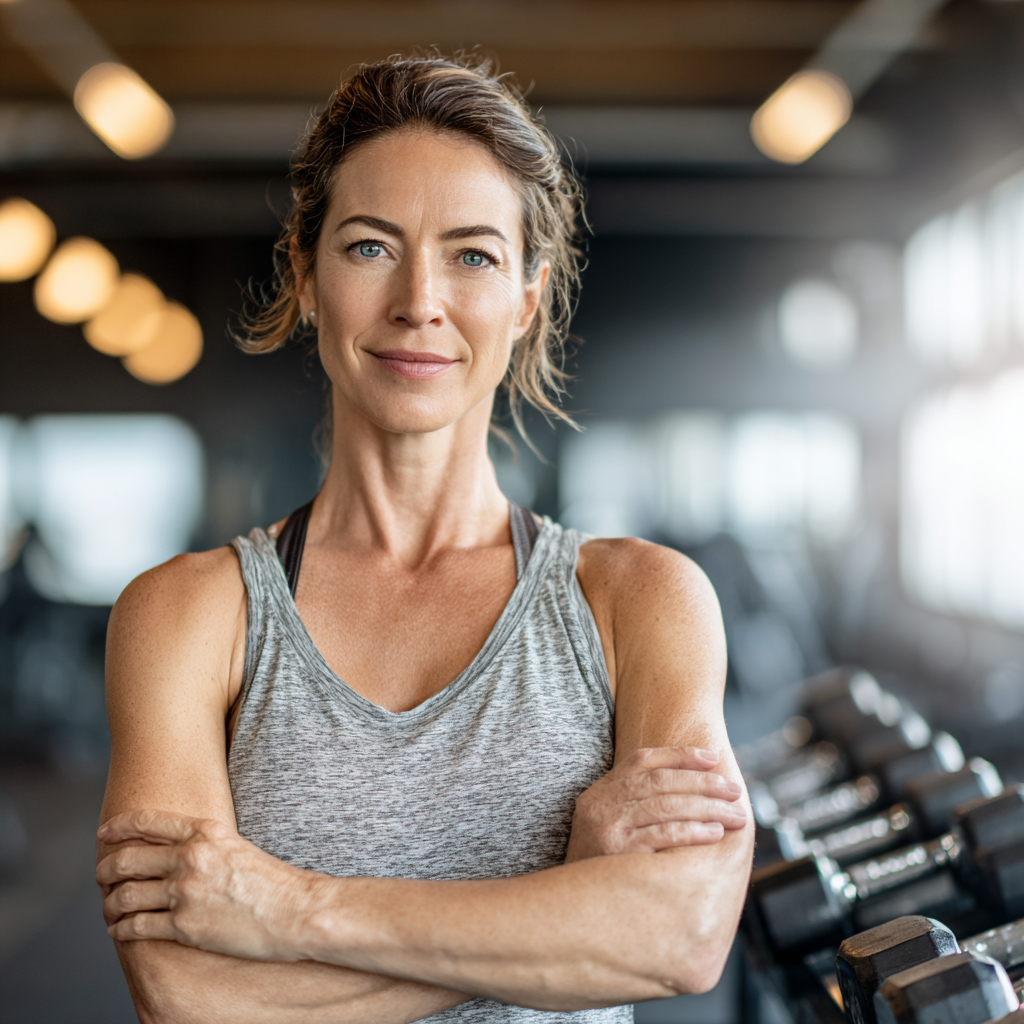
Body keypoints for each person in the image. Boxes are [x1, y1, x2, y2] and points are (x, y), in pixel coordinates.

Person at [95, 54, 753, 1024]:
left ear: (526, 300)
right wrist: (566, 910)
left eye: (473, 255)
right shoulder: (191, 613)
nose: (420, 301)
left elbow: (681, 934)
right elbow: (186, 993)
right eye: (369, 247)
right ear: (306, 275)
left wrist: (286, 909)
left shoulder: (638, 601)